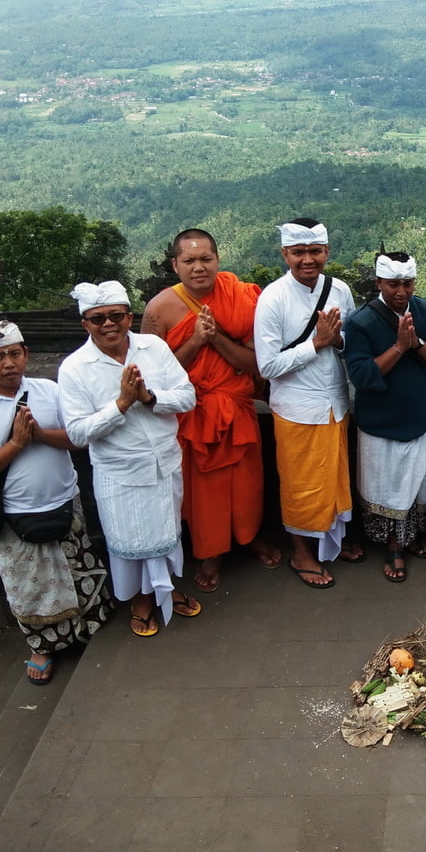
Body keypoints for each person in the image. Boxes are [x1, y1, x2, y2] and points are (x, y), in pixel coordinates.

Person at [0, 321, 112, 684]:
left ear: (25, 354)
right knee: (31, 586)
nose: (8, 363)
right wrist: (16, 445)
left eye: (14, 353)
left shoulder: (49, 391)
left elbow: (77, 437)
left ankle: (86, 628)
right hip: (13, 516)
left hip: (64, 502)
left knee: (76, 571)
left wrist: (39, 434)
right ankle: (43, 646)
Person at [140, 228, 281, 593]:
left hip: (236, 406)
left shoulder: (243, 297)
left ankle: (250, 537)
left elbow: (255, 363)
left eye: (206, 259)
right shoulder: (159, 309)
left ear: (218, 259)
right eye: (189, 260)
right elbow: (156, 375)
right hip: (194, 414)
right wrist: (197, 339)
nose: (198, 267)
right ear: (175, 264)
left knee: (248, 483)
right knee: (203, 492)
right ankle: (210, 552)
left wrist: (216, 336)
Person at [59, 281, 200, 637]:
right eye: (98, 318)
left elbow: (187, 396)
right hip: (119, 472)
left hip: (164, 462)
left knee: (167, 532)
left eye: (116, 316)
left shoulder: (153, 348)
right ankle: (141, 600)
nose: (108, 324)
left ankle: (164, 589)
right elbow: (77, 433)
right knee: (132, 541)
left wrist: (149, 397)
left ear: (129, 316)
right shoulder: (75, 367)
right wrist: (121, 404)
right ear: (85, 324)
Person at [254, 218, 363, 589]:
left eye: (314, 251)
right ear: (285, 253)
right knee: (301, 485)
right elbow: (267, 365)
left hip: (335, 401)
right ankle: (301, 552)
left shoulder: (340, 291)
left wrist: (336, 340)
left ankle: (332, 543)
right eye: (298, 252)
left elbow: (351, 340)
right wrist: (315, 343)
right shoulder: (272, 298)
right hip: (297, 407)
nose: (307, 260)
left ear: (327, 252)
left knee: (333, 481)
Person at [343, 252, 426, 582]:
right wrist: (398, 347)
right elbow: (361, 375)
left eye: (407, 283)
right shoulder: (360, 322)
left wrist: (416, 342)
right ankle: (394, 543)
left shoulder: (425, 312)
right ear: (379, 283)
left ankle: (412, 533)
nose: (401, 292)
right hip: (380, 420)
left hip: (418, 414)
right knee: (386, 483)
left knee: (419, 481)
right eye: (393, 284)